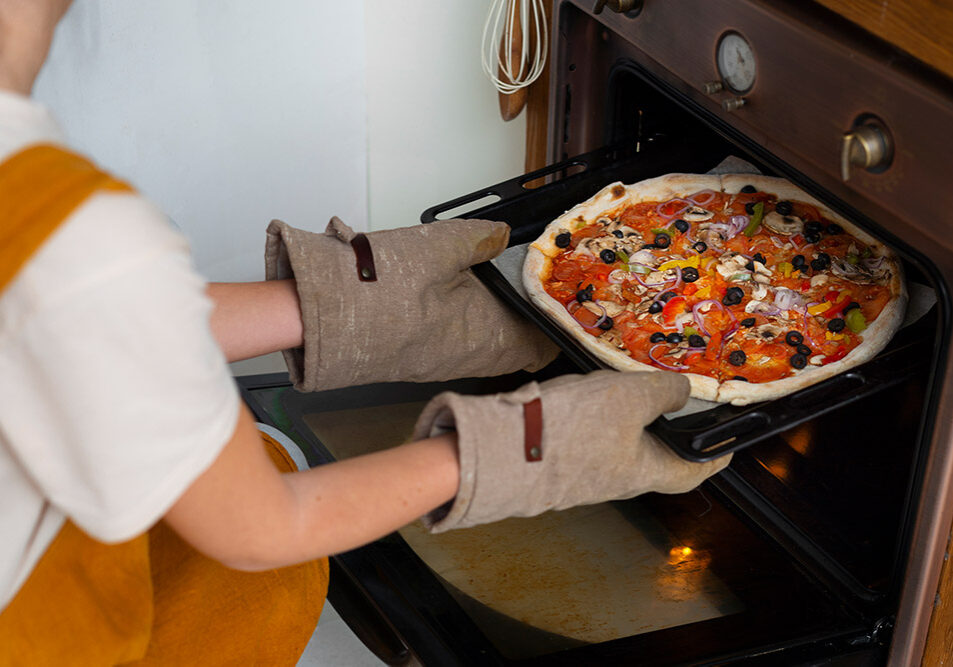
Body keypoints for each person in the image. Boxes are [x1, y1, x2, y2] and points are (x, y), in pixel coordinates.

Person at [0, 1, 730, 664]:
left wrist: (348, 309)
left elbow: (76, 319)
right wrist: (533, 446)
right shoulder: (76, 227)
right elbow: (259, 531)